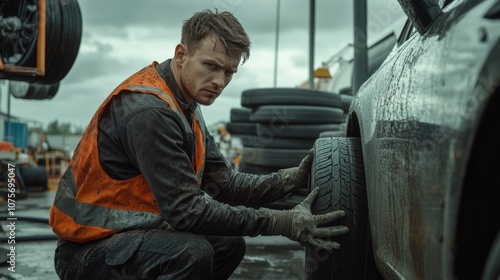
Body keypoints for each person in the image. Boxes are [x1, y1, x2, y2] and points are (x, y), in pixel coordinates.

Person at [49, 9, 349, 279]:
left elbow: (225, 184)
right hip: (86, 252)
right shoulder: (150, 111)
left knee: (228, 246)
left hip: (129, 238)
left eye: (229, 71)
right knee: (190, 253)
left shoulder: (186, 105)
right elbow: (186, 211)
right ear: (181, 55)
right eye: (211, 66)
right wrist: (281, 222)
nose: (220, 81)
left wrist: (287, 180)